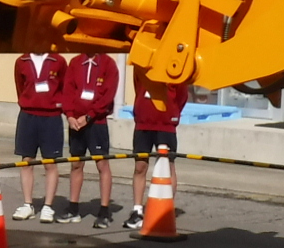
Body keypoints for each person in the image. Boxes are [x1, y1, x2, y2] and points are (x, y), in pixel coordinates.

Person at [60, 50, 120, 228]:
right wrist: (70, 115)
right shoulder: (76, 62)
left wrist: (89, 116)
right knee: (76, 163)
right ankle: (73, 208)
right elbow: (68, 90)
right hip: (76, 123)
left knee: (102, 163)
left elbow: (108, 95)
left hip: (97, 122)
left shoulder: (109, 64)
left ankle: (104, 211)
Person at [127, 71, 189, 231]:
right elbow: (137, 84)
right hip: (143, 123)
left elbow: (181, 95)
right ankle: (137, 210)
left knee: (168, 167)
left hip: (165, 125)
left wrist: (172, 112)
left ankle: (165, 208)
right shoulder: (143, 65)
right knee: (140, 166)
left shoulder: (174, 66)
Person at [13, 45, 66, 222]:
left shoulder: (58, 60)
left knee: (50, 163)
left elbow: (64, 88)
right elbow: (20, 87)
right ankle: (28, 204)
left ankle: (48, 207)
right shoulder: (21, 61)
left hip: (51, 117)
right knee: (26, 161)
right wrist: (27, 102)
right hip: (28, 116)